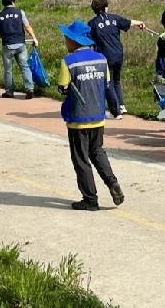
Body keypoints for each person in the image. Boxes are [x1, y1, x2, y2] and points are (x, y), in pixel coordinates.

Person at [56, 19, 126, 211]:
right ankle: (112, 182)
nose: (65, 41)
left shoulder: (68, 61)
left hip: (77, 118)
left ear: (73, 41)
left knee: (81, 159)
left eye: (66, 38)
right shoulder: (101, 59)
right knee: (97, 151)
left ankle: (90, 198)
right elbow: (106, 84)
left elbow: (62, 87)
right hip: (98, 115)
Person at [87, 0, 144, 119]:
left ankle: (115, 111)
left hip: (105, 56)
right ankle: (121, 105)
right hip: (118, 54)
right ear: (106, 7)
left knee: (108, 83)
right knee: (116, 80)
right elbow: (128, 22)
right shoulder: (114, 18)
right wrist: (140, 23)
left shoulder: (92, 24)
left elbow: (89, 41)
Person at [0, 0, 39, 99]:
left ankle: (9, 91)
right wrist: (34, 38)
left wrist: (5, 37)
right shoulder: (20, 12)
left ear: (3, 4)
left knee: (8, 70)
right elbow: (27, 26)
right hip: (20, 45)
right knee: (24, 66)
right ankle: (29, 89)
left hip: (7, 45)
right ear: (13, 2)